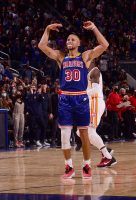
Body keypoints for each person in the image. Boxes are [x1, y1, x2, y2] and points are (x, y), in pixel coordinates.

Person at [38, 21, 109, 179]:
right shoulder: (61, 57)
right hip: (65, 99)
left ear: (79, 43)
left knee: (84, 133)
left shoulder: (85, 56)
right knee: (64, 134)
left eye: (73, 39)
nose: (69, 41)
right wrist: (47, 29)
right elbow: (42, 46)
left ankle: (86, 165)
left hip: (81, 99)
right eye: (68, 39)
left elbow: (104, 45)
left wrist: (95, 28)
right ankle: (69, 166)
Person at [79, 65, 117, 168]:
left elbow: (96, 91)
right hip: (92, 103)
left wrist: (81, 94)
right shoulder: (87, 73)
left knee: (89, 131)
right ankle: (105, 149)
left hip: (95, 102)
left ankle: (108, 157)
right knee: (79, 132)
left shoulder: (95, 71)